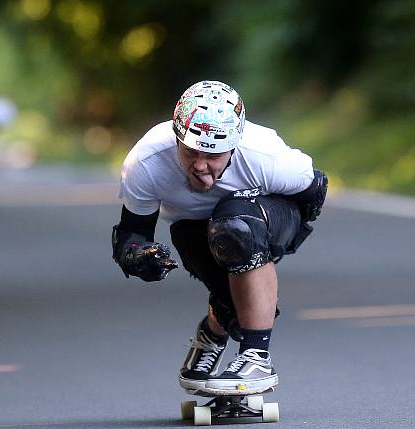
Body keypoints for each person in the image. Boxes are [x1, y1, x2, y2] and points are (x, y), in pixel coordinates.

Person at [112, 80, 327, 395]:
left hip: (262, 214)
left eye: (213, 154)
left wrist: (274, 245)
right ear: (176, 138)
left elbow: (315, 190)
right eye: (190, 152)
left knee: (236, 227)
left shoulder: (265, 157)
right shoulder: (146, 163)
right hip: (192, 225)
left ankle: (256, 358)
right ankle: (212, 333)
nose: (200, 165)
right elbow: (131, 235)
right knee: (235, 304)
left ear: (234, 146)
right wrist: (139, 256)